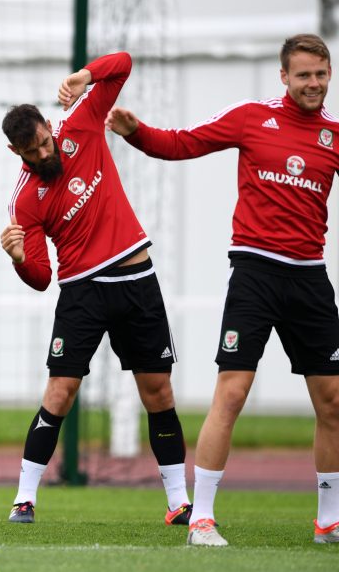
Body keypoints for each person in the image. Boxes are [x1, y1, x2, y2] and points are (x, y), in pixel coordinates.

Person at [106, 33, 339, 546]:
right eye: (303, 75)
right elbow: (182, 143)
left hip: (310, 278)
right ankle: (202, 518)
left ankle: (329, 521)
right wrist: (136, 132)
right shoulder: (253, 117)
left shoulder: (333, 135)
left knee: (333, 401)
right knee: (231, 393)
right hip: (255, 273)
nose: (314, 84)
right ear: (284, 77)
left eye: (321, 74)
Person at [0, 51, 191, 528]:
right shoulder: (24, 201)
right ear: (16, 154)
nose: (43, 154)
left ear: (49, 125)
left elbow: (122, 64)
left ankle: (179, 503)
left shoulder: (82, 122)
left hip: (136, 279)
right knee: (60, 391)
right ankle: (24, 499)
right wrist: (20, 260)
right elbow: (42, 277)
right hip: (83, 291)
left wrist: (84, 75)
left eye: (43, 142)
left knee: (158, 391)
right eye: (31, 152)